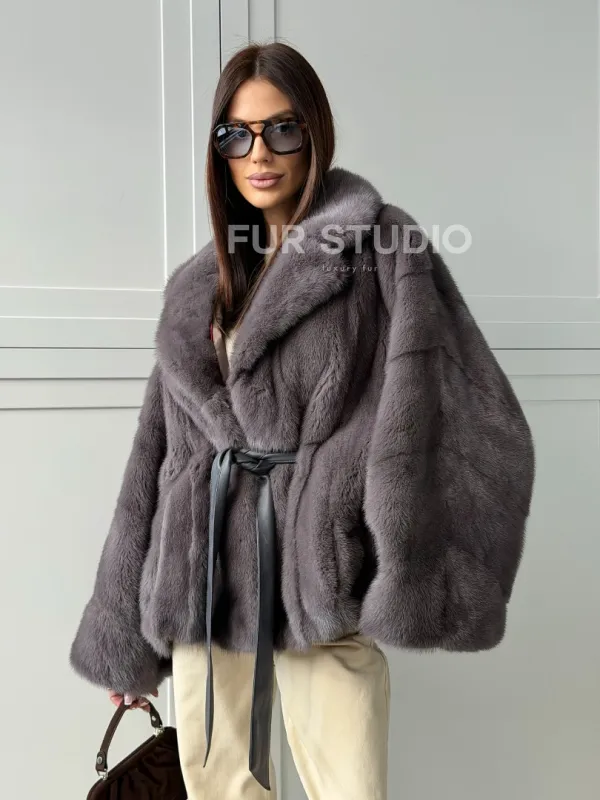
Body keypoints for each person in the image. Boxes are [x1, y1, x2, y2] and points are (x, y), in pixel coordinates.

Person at [69, 41, 535, 800]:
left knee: (350, 789)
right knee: (219, 791)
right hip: (206, 584)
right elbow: (158, 455)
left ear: (314, 132)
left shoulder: (384, 247)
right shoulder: (202, 283)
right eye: (237, 135)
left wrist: (354, 517)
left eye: (282, 129)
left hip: (317, 581)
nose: (259, 154)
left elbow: (457, 409)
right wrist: (123, 635)